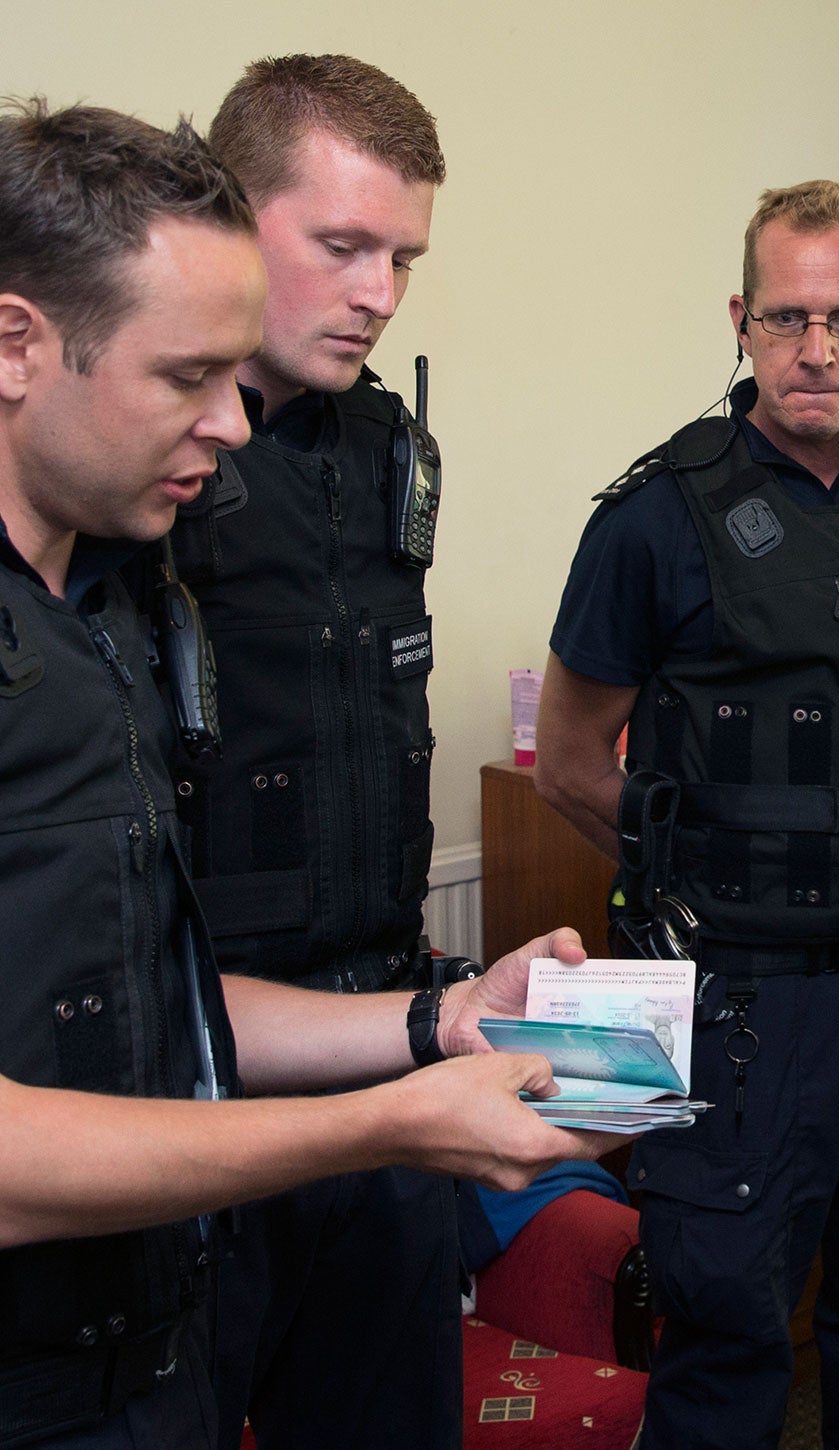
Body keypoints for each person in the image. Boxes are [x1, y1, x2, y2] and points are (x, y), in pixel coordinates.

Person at [0, 98, 601, 1450]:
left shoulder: (87, 620)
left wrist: (434, 1023)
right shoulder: (103, 562)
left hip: (179, 1252)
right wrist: (386, 1116)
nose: (227, 429)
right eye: (183, 378)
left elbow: (171, 993)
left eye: (407, 258)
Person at [537, 179, 839, 1449]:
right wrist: (703, 892)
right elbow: (571, 763)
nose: (817, 349)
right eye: (787, 317)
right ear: (739, 320)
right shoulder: (653, 518)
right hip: (739, 1007)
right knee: (724, 1350)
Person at [149, 56, 461, 1450]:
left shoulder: (386, 443)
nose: (380, 291)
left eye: (402, 256)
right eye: (343, 246)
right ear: (230, 213)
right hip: (191, 1087)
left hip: (381, 1052)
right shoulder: (126, 458)